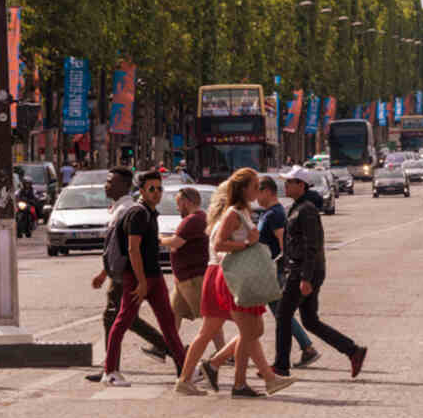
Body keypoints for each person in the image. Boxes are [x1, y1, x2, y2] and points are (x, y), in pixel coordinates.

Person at [175, 168, 296, 398]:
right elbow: (220, 245)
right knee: (246, 330)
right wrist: (248, 244)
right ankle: (238, 380)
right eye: (254, 186)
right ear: (242, 189)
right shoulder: (234, 213)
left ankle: (216, 373)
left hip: (232, 274)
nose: (257, 190)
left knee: (243, 330)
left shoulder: (240, 212)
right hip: (232, 275)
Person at [272, 167, 367, 378]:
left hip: (304, 272)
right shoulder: (298, 207)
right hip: (304, 270)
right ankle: (352, 350)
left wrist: (305, 278)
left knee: (283, 314)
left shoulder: (306, 210)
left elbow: (311, 246)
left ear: (301, 185)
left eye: (290, 182)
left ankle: (280, 365)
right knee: (310, 321)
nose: (286, 186)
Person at [99, 171, 186, 387]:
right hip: (137, 278)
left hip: (154, 276)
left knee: (168, 324)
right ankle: (110, 371)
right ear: (141, 190)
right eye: (151, 189)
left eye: (159, 189)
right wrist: (141, 281)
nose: (156, 193)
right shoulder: (138, 213)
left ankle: (184, 371)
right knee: (122, 321)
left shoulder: (150, 212)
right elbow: (132, 249)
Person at [88, 167, 170, 383]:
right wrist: (103, 274)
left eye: (110, 182)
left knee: (119, 318)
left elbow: (125, 248)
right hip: (122, 272)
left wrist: (110, 274)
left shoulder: (127, 210)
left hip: (127, 274)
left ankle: (170, 349)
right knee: (120, 317)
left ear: (125, 186)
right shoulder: (119, 208)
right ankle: (111, 365)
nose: (106, 186)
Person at [255, 177, 319, 369]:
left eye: (258, 192)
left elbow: (285, 243)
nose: (256, 198)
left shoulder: (275, 214)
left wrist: (284, 266)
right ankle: (305, 347)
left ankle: (306, 348)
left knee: (279, 312)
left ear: (267, 191)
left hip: (273, 270)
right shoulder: (269, 213)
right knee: (279, 312)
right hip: (268, 269)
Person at [160, 186, 225, 357]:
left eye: (178, 203)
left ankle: (224, 353)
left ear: (186, 202)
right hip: (184, 278)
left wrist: (159, 238)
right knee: (173, 315)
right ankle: (164, 347)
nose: (177, 207)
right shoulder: (197, 218)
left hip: (193, 278)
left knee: (210, 318)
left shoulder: (193, 220)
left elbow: (176, 242)